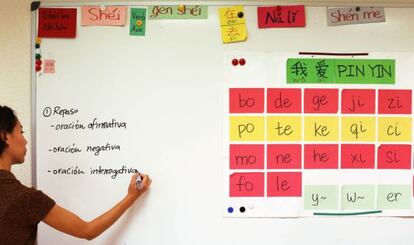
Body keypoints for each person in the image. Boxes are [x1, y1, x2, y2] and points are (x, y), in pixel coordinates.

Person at [0, 105, 152, 244]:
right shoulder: (25, 199)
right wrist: (131, 197)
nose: (25, 140)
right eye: (21, 132)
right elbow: (88, 230)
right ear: (5, 136)